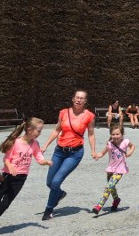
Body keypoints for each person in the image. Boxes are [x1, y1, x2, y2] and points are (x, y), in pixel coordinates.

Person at [0, 118, 51, 235]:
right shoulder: (16, 142)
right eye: (39, 131)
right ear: (30, 130)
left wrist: (46, 162)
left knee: (4, 206)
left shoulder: (35, 144)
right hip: (7, 177)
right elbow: (6, 159)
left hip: (20, 180)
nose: (40, 133)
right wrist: (10, 167)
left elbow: (39, 158)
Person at [40, 90, 98, 220]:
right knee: (49, 182)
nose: (79, 100)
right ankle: (59, 194)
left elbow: (91, 134)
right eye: (77, 97)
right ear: (73, 99)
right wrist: (45, 146)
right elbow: (56, 130)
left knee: (56, 181)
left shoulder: (89, 116)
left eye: (82, 98)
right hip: (59, 151)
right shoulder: (63, 112)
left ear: (85, 101)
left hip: (75, 153)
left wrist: (93, 150)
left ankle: (49, 209)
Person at [91, 123, 134, 215]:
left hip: (120, 169)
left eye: (117, 134)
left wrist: (130, 152)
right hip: (110, 169)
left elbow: (132, 146)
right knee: (112, 187)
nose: (115, 136)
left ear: (122, 134)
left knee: (108, 187)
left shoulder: (125, 141)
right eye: (113, 134)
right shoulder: (110, 144)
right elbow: (102, 153)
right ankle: (116, 200)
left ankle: (99, 205)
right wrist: (97, 156)